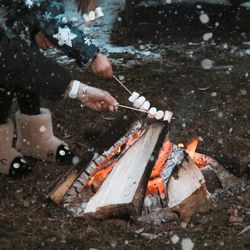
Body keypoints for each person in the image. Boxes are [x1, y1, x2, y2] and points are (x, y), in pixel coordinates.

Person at [0, 0, 119, 177]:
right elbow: (57, 26)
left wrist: (34, 26)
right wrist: (92, 54)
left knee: (28, 67)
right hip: (6, 44)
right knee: (9, 74)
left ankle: (33, 139)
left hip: (12, 30)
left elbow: (32, 9)